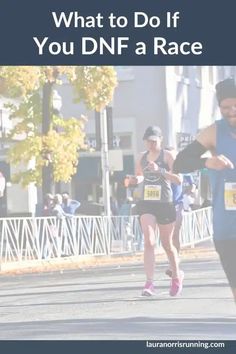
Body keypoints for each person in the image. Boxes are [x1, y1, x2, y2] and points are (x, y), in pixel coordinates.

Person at [173, 78, 236, 304]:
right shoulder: (214, 132)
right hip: (227, 226)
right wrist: (207, 163)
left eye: (235, 105)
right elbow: (180, 162)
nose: (231, 112)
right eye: (225, 107)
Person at [127, 126, 184, 296]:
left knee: (167, 245)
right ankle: (149, 283)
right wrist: (134, 179)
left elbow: (178, 179)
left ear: (160, 140)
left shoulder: (168, 156)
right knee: (149, 241)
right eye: (148, 141)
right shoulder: (141, 158)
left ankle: (176, 277)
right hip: (147, 203)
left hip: (165, 203)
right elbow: (141, 176)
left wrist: (160, 170)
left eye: (154, 141)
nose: (151, 144)